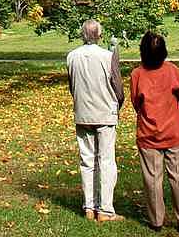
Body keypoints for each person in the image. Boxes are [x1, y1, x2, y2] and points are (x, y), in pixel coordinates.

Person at [130, 32, 179, 234]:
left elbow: (136, 103)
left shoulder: (137, 75)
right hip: (174, 131)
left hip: (150, 133)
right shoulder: (172, 70)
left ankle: (156, 220)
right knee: (178, 176)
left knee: (153, 179)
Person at [66, 19, 125, 223]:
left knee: (87, 161)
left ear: (83, 35)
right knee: (106, 161)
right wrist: (118, 105)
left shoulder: (72, 56)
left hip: (83, 113)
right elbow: (118, 87)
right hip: (105, 112)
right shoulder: (108, 56)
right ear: (99, 35)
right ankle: (105, 210)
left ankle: (89, 207)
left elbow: (71, 85)